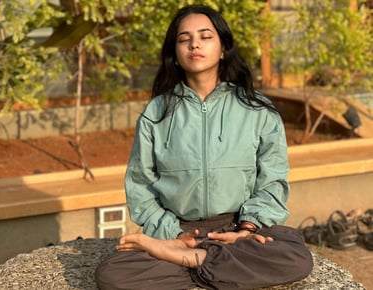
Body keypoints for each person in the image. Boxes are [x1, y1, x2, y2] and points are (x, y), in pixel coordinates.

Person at [96, 4, 313, 290]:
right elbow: (140, 186)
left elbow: (272, 180)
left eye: (205, 36)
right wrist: (172, 236)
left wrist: (248, 229)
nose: (194, 44)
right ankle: (203, 260)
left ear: (223, 48)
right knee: (113, 273)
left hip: (238, 229)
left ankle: (192, 260)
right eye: (184, 39)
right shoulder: (157, 112)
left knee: (295, 256)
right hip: (179, 231)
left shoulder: (258, 109)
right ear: (175, 54)